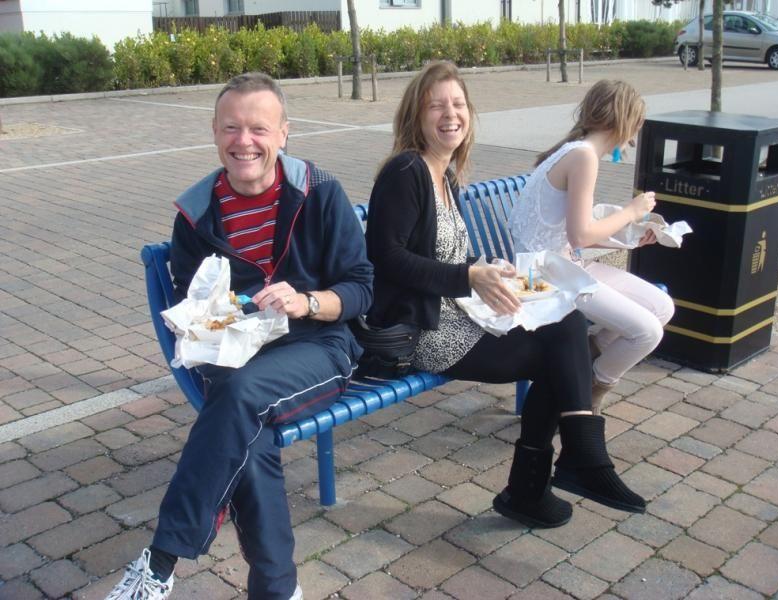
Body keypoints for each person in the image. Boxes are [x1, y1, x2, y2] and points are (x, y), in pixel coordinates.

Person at [107, 73, 373, 600]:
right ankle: (277, 590)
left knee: (239, 401)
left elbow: (361, 288)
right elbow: (192, 309)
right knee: (246, 426)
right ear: (214, 131)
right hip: (232, 357)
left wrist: (307, 301)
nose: (244, 141)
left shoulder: (319, 191)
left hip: (318, 345)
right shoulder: (196, 214)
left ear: (283, 133)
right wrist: (214, 314)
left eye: (259, 128)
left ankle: (161, 561)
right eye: (231, 127)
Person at [365, 61, 646, 530]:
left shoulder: (443, 174)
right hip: (426, 331)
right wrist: (469, 277)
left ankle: (562, 468)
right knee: (561, 352)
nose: (450, 114)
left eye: (458, 104)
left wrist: (488, 270)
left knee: (567, 323)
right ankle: (555, 474)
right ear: (416, 115)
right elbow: (387, 258)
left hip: (457, 314)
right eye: (436, 106)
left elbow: (446, 252)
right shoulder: (406, 171)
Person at [509, 79, 674, 415]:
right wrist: (632, 212)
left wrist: (631, 234)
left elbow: (568, 231)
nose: (634, 136)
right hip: (539, 280)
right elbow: (580, 235)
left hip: (559, 267)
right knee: (646, 333)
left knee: (662, 307)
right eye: (636, 125)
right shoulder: (583, 157)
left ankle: (582, 360)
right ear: (625, 121)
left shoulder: (576, 151)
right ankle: (589, 391)